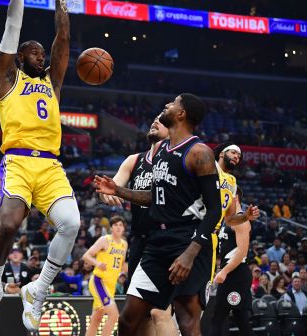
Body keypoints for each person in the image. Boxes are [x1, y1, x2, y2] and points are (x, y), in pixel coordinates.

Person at [0, 0, 80, 333]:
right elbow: (10, 30)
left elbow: (62, 40)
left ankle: (38, 288)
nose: (40, 54)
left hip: (50, 166)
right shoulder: (8, 78)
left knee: (72, 223)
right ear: (20, 58)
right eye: (33, 51)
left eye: (41, 51)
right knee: (8, 224)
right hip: (18, 161)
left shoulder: (52, 83)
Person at [94, 94, 222, 336]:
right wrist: (119, 190)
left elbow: (214, 209)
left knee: (186, 320)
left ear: (181, 114)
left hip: (188, 240)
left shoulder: (200, 152)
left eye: (173, 103)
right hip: (157, 243)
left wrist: (190, 253)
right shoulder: (162, 149)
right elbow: (156, 195)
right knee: (129, 319)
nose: (167, 106)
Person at [97, 117, 177, 336]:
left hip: (165, 239)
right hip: (140, 241)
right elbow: (114, 186)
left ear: (172, 131)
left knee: (160, 311)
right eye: (152, 121)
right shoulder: (134, 160)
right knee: (140, 314)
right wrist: (107, 195)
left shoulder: (173, 160)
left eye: (161, 122)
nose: (154, 123)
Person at [207, 199, 252, 336]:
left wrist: (224, 271)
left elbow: (242, 251)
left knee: (217, 317)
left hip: (236, 273)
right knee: (241, 317)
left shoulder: (240, 219)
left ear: (235, 198)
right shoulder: (228, 219)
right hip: (233, 271)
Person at [83, 216, 128, 336]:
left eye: (120, 225)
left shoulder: (124, 244)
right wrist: (97, 263)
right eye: (115, 225)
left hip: (111, 285)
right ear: (111, 228)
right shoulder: (105, 240)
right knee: (114, 315)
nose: (118, 227)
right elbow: (86, 256)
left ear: (124, 228)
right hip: (99, 282)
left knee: (96, 319)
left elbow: (122, 265)